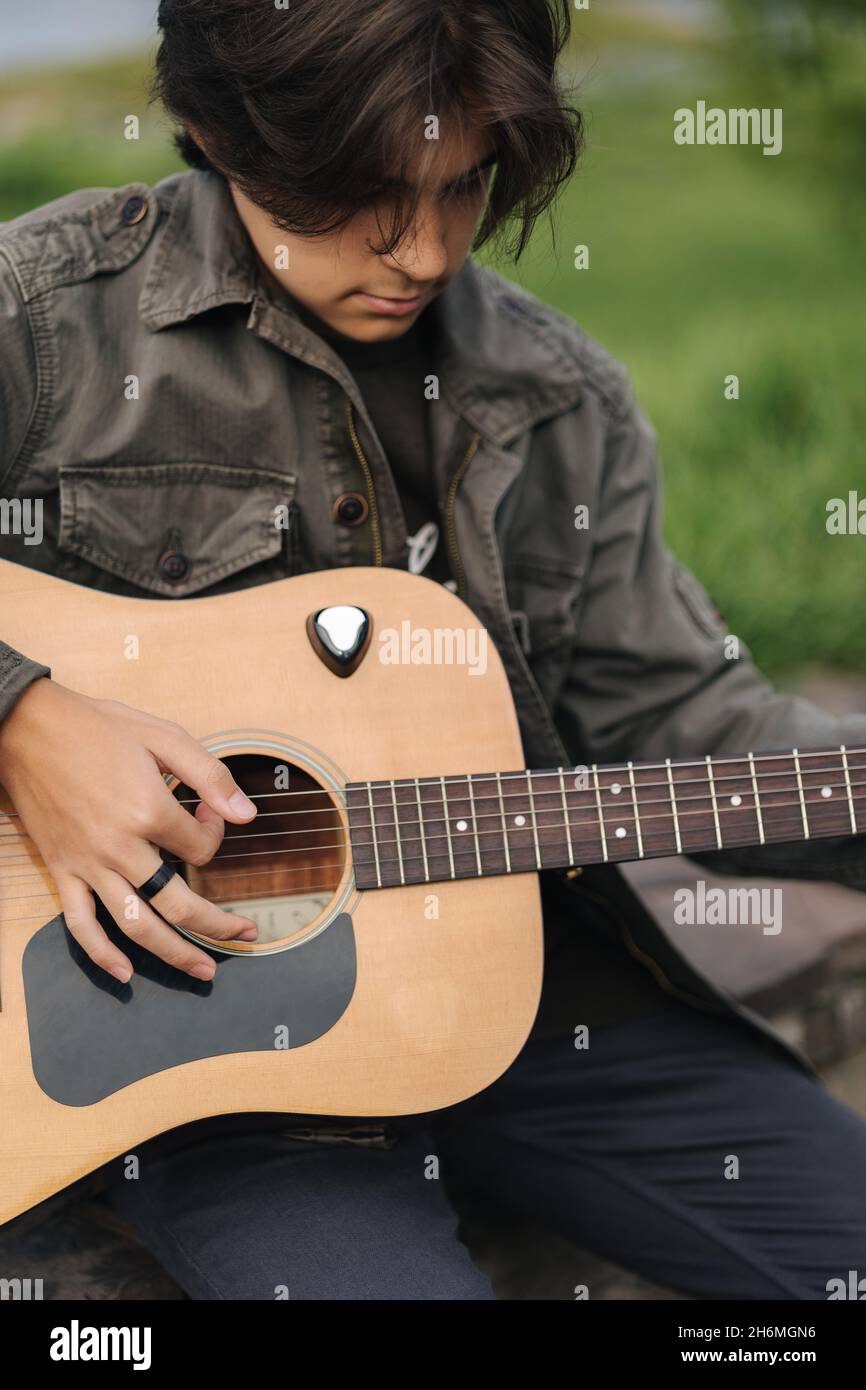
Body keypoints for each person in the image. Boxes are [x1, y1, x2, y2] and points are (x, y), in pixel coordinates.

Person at [1, 0, 865, 1301]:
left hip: (536, 997)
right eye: (359, 197)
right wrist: (29, 717)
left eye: (461, 186)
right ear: (215, 131)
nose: (421, 248)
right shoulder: (47, 321)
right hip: (191, 1045)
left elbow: (686, 722)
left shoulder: (555, 397)